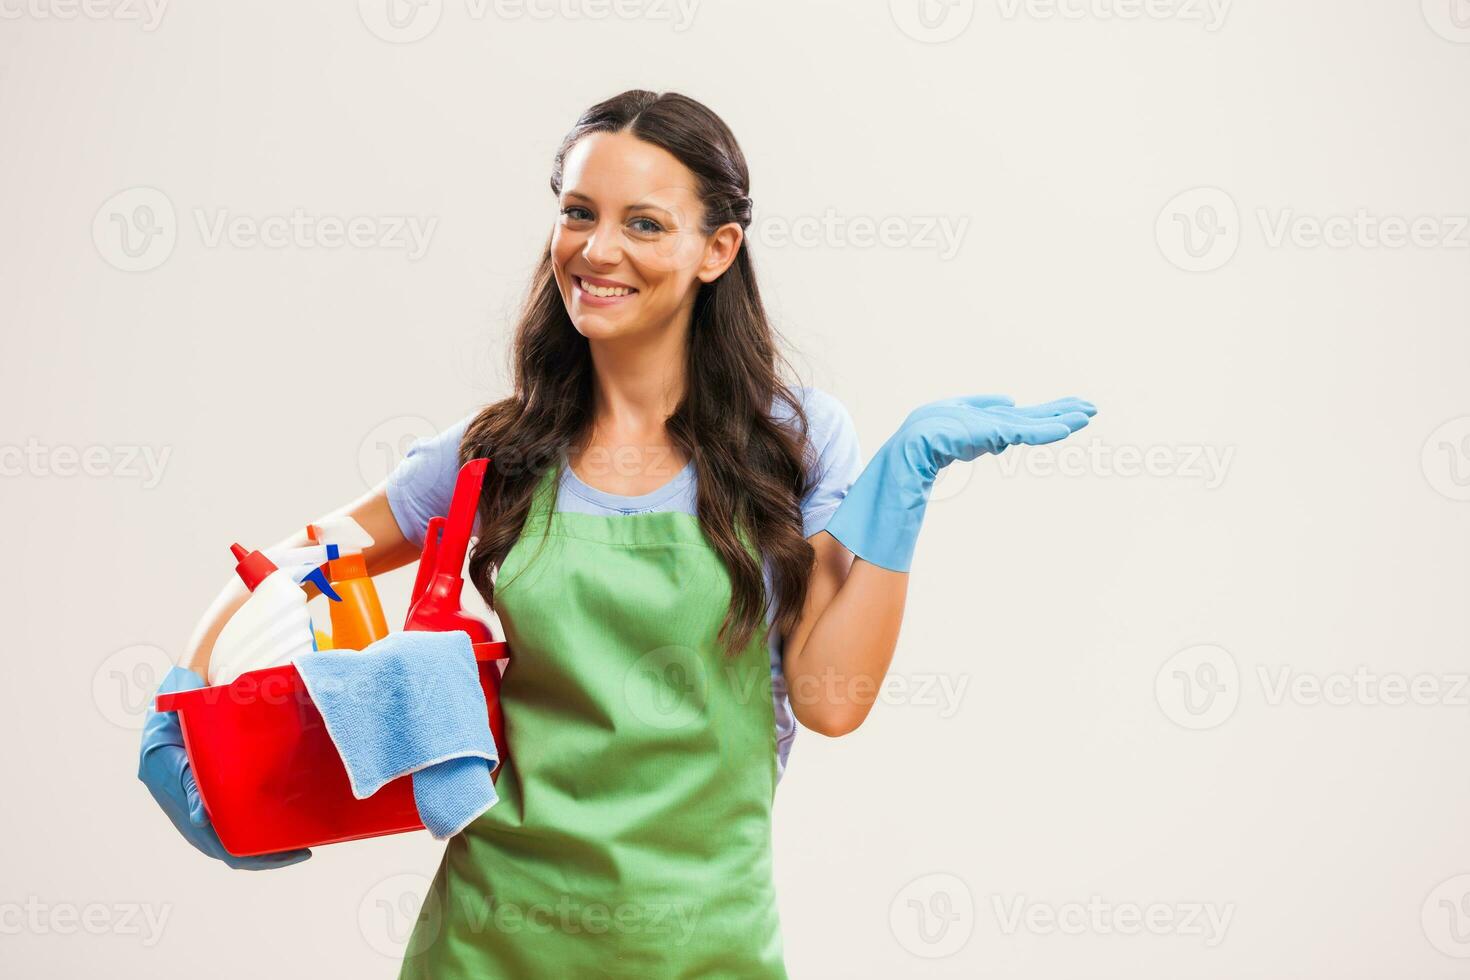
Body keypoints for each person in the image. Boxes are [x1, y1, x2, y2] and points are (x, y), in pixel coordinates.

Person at [138, 89, 1096, 977]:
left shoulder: (791, 446)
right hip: (489, 940)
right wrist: (184, 704)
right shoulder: (499, 450)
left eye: (644, 223)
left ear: (717, 249)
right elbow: (300, 561)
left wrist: (903, 485)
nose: (598, 251)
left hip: (706, 945)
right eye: (578, 212)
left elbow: (829, 698)